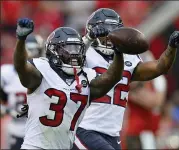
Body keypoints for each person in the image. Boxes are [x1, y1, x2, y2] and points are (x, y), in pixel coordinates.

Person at [73, 8, 179, 150]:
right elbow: (70, 59)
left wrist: (171, 48)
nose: (109, 38)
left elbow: (159, 67)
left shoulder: (128, 58)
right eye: (104, 33)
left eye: (113, 32)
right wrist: (87, 38)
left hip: (112, 133)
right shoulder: (85, 55)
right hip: (85, 128)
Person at [14, 18, 124, 149]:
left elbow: (113, 77)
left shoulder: (86, 78)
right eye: (68, 49)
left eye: (77, 49)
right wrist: (21, 40)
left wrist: (118, 51)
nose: (74, 53)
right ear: (54, 51)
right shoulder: (42, 70)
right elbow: (21, 66)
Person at [0, 34, 44, 150]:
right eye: (29, 50)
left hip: (41, 130)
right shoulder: (6, 73)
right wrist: (5, 109)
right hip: (16, 130)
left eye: (35, 51)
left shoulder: (46, 73)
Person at [120, 51, 167, 150]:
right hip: (132, 132)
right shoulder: (129, 78)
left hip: (149, 132)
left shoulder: (159, 80)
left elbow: (156, 102)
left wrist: (134, 93)